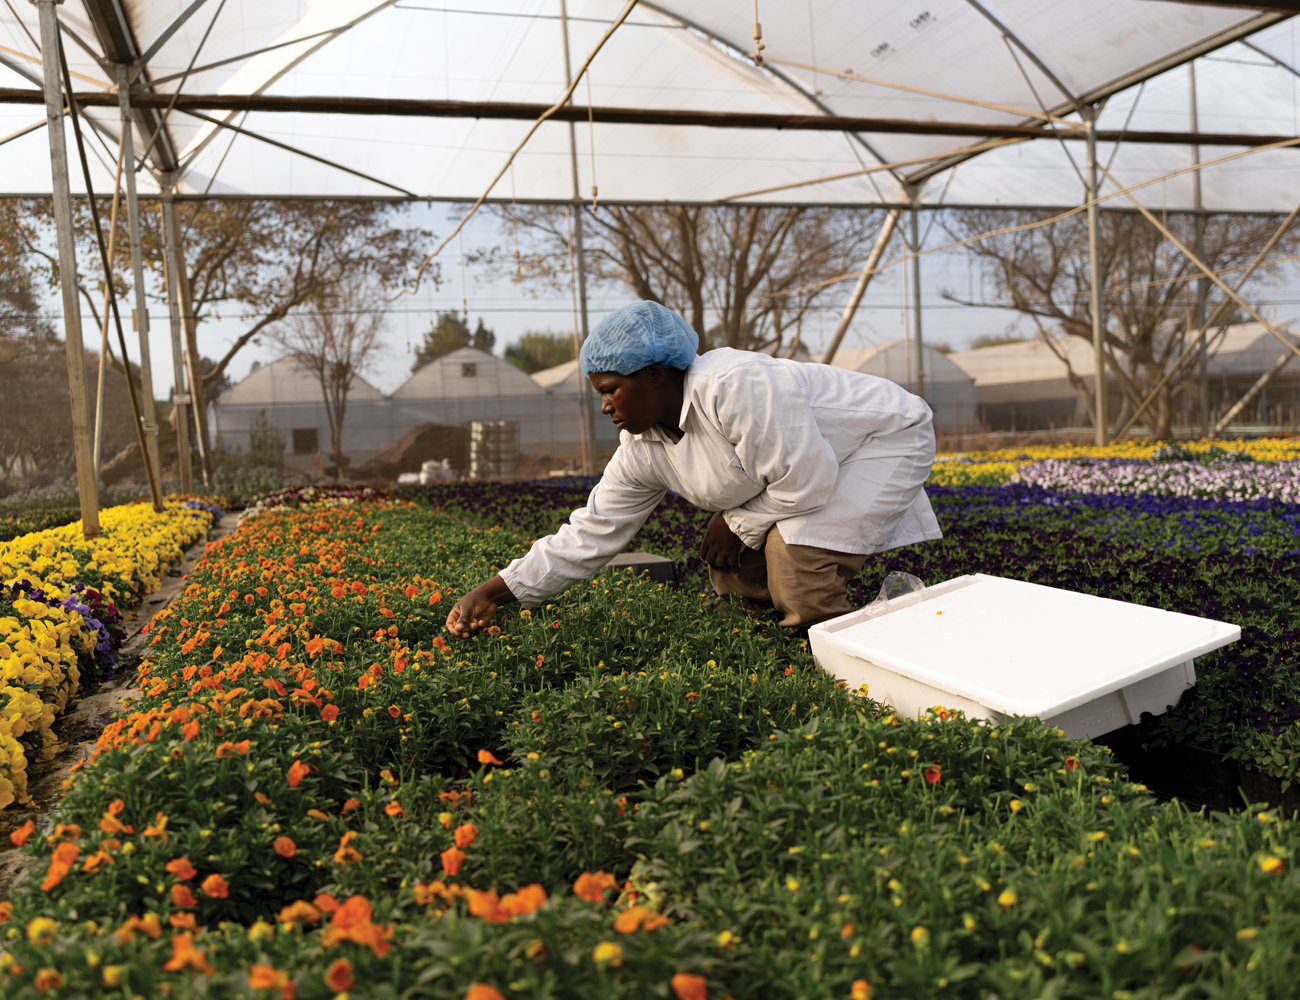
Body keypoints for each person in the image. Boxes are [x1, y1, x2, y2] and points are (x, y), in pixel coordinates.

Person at [445, 300, 941, 637]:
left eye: (611, 390)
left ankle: (837, 651)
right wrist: (494, 592)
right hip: (812, 465)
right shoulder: (642, 447)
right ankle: (768, 637)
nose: (605, 407)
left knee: (794, 553)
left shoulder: (733, 385)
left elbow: (806, 481)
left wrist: (734, 521)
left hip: (883, 440)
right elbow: (590, 532)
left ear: (655, 374)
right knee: (731, 563)